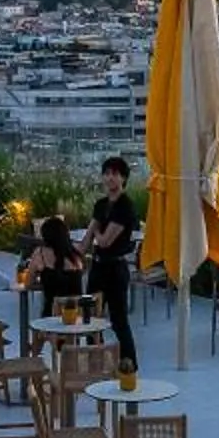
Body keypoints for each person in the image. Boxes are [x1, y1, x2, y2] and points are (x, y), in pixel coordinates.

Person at [84, 155, 140, 365]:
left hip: (115, 268)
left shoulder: (125, 206)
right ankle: (94, 361)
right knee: (90, 317)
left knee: (118, 320)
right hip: (98, 267)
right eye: (106, 174)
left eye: (115, 174)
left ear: (123, 178)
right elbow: (87, 240)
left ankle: (130, 364)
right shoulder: (101, 204)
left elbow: (104, 240)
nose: (110, 178)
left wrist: (95, 230)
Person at [27, 216, 85, 319]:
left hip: (51, 317)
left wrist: (45, 283)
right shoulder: (75, 255)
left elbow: (29, 283)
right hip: (76, 317)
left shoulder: (40, 254)